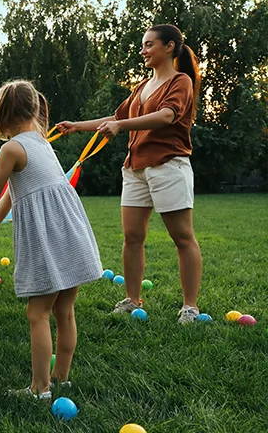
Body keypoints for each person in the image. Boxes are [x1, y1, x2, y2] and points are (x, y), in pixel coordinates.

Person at [57, 24, 203, 324]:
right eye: (143, 45)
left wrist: (122, 127)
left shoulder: (181, 81)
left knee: (182, 237)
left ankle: (190, 307)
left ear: (170, 47)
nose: (143, 50)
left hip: (168, 164)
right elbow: (118, 117)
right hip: (135, 167)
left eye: (149, 44)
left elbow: (166, 116)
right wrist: (77, 125)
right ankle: (132, 299)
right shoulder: (141, 87)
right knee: (132, 237)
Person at [0, 80, 102, 400]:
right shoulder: (41, 144)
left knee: (37, 314)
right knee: (65, 311)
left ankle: (39, 389)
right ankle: (61, 378)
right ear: (33, 109)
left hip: (48, 238)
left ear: (1, 114)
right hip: (71, 234)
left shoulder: (11, 149)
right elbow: (13, 195)